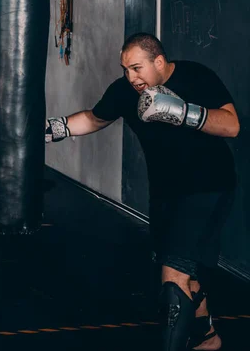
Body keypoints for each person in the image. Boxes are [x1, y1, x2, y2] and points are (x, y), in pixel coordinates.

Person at [45, 32, 239, 351]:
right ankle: (206, 336)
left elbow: (232, 125)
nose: (131, 77)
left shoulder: (196, 76)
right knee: (186, 276)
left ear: (158, 61)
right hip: (165, 194)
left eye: (137, 68)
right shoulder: (125, 91)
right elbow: (94, 119)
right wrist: (51, 129)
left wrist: (182, 112)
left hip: (208, 186)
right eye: (125, 69)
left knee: (174, 280)